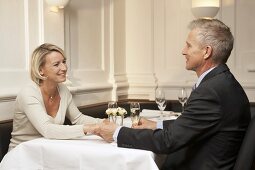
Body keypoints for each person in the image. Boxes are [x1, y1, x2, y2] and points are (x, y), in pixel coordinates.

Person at [97, 18, 251, 170]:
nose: (183, 51)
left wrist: (117, 133)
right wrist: (155, 124)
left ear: (206, 52)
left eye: (189, 45)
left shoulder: (211, 91)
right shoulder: (222, 83)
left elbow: (167, 142)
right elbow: (194, 123)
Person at [8, 43, 102, 150]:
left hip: (48, 151)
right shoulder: (28, 93)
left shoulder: (63, 89)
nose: (64, 67)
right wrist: (92, 128)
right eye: (56, 64)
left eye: (64, 62)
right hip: (23, 154)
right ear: (40, 70)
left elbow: (78, 119)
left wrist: (104, 123)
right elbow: (47, 129)